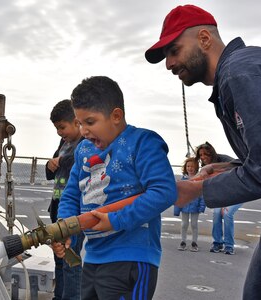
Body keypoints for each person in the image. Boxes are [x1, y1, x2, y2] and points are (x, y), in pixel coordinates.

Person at [145, 4, 261, 299]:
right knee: (257, 286)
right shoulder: (245, 69)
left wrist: (198, 190)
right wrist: (223, 167)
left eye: (174, 50)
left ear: (204, 39)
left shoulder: (240, 74)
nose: (168, 63)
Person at [52, 76, 177, 300]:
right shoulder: (83, 151)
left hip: (130, 257)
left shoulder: (143, 142)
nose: (83, 131)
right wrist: (65, 228)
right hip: (92, 258)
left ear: (116, 116)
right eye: (80, 123)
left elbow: (163, 191)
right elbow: (71, 195)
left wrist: (116, 220)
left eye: (90, 122)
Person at [46, 99, 85, 300]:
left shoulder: (85, 143)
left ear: (77, 122)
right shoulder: (64, 143)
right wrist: (50, 164)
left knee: (71, 259)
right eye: (57, 129)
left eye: (62, 127)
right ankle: (58, 296)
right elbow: (51, 171)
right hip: (57, 207)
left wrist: (61, 161)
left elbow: (81, 161)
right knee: (59, 257)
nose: (60, 133)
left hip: (75, 212)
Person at [195, 142, 241, 255]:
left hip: (237, 191)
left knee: (227, 213)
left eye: (205, 154)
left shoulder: (224, 159)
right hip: (222, 194)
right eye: (200, 155)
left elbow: (239, 165)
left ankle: (229, 245)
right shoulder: (204, 166)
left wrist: (217, 170)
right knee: (216, 213)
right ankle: (217, 243)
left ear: (212, 152)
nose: (203, 157)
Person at [173, 157, 205, 252]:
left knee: (194, 224)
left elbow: (202, 194)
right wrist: (177, 207)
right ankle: (183, 242)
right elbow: (179, 195)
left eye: (192, 166)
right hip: (185, 206)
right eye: (188, 166)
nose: (190, 168)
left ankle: (194, 243)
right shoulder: (182, 180)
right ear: (185, 167)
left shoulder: (199, 179)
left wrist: (202, 206)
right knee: (184, 224)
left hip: (195, 206)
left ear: (196, 167)